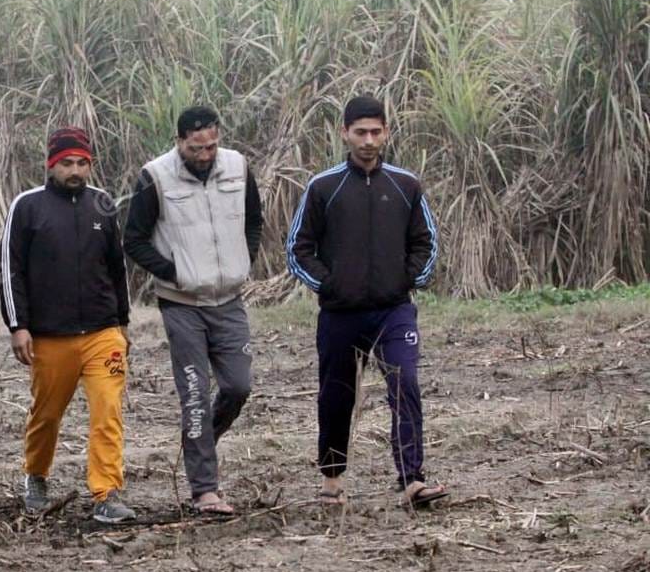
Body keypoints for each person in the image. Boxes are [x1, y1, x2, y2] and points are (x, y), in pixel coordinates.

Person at [286, 95, 447, 508]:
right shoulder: (323, 187)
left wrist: (409, 280)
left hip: (394, 310)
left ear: (387, 133)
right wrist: (330, 285)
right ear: (345, 133)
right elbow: (298, 249)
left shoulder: (406, 185)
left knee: (405, 384)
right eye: (361, 132)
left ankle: (412, 480)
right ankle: (333, 482)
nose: (369, 141)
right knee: (336, 395)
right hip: (340, 313)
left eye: (376, 132)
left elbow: (425, 243)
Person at [123, 105, 263, 515]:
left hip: (229, 300)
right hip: (182, 304)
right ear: (180, 142)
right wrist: (177, 272)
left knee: (239, 387)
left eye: (212, 145)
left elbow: (253, 219)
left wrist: (244, 260)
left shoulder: (237, 167)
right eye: (196, 147)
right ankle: (205, 489)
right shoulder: (155, 177)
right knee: (195, 397)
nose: (206, 154)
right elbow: (134, 240)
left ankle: (196, 443)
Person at [0, 127, 136, 524]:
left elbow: (118, 269)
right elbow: (10, 269)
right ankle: (36, 477)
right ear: (51, 165)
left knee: (107, 410)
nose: (75, 170)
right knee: (47, 415)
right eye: (67, 164)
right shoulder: (27, 207)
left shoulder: (103, 205)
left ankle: (107, 493)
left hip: (102, 332)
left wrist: (123, 322)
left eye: (82, 163)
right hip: (49, 335)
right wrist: (18, 325)